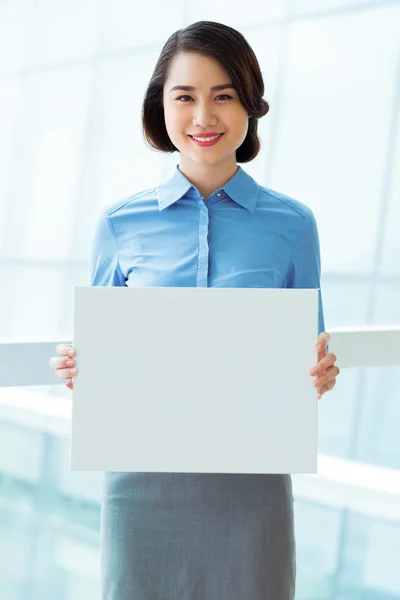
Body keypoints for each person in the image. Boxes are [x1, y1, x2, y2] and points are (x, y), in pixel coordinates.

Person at [49, 20, 339, 600]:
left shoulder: (293, 225)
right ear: (161, 107)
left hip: (251, 482)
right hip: (141, 480)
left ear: (249, 104)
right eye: (185, 97)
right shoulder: (118, 223)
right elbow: (102, 356)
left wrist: (321, 374)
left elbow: (308, 353)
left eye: (223, 95)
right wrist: (81, 369)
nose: (204, 116)